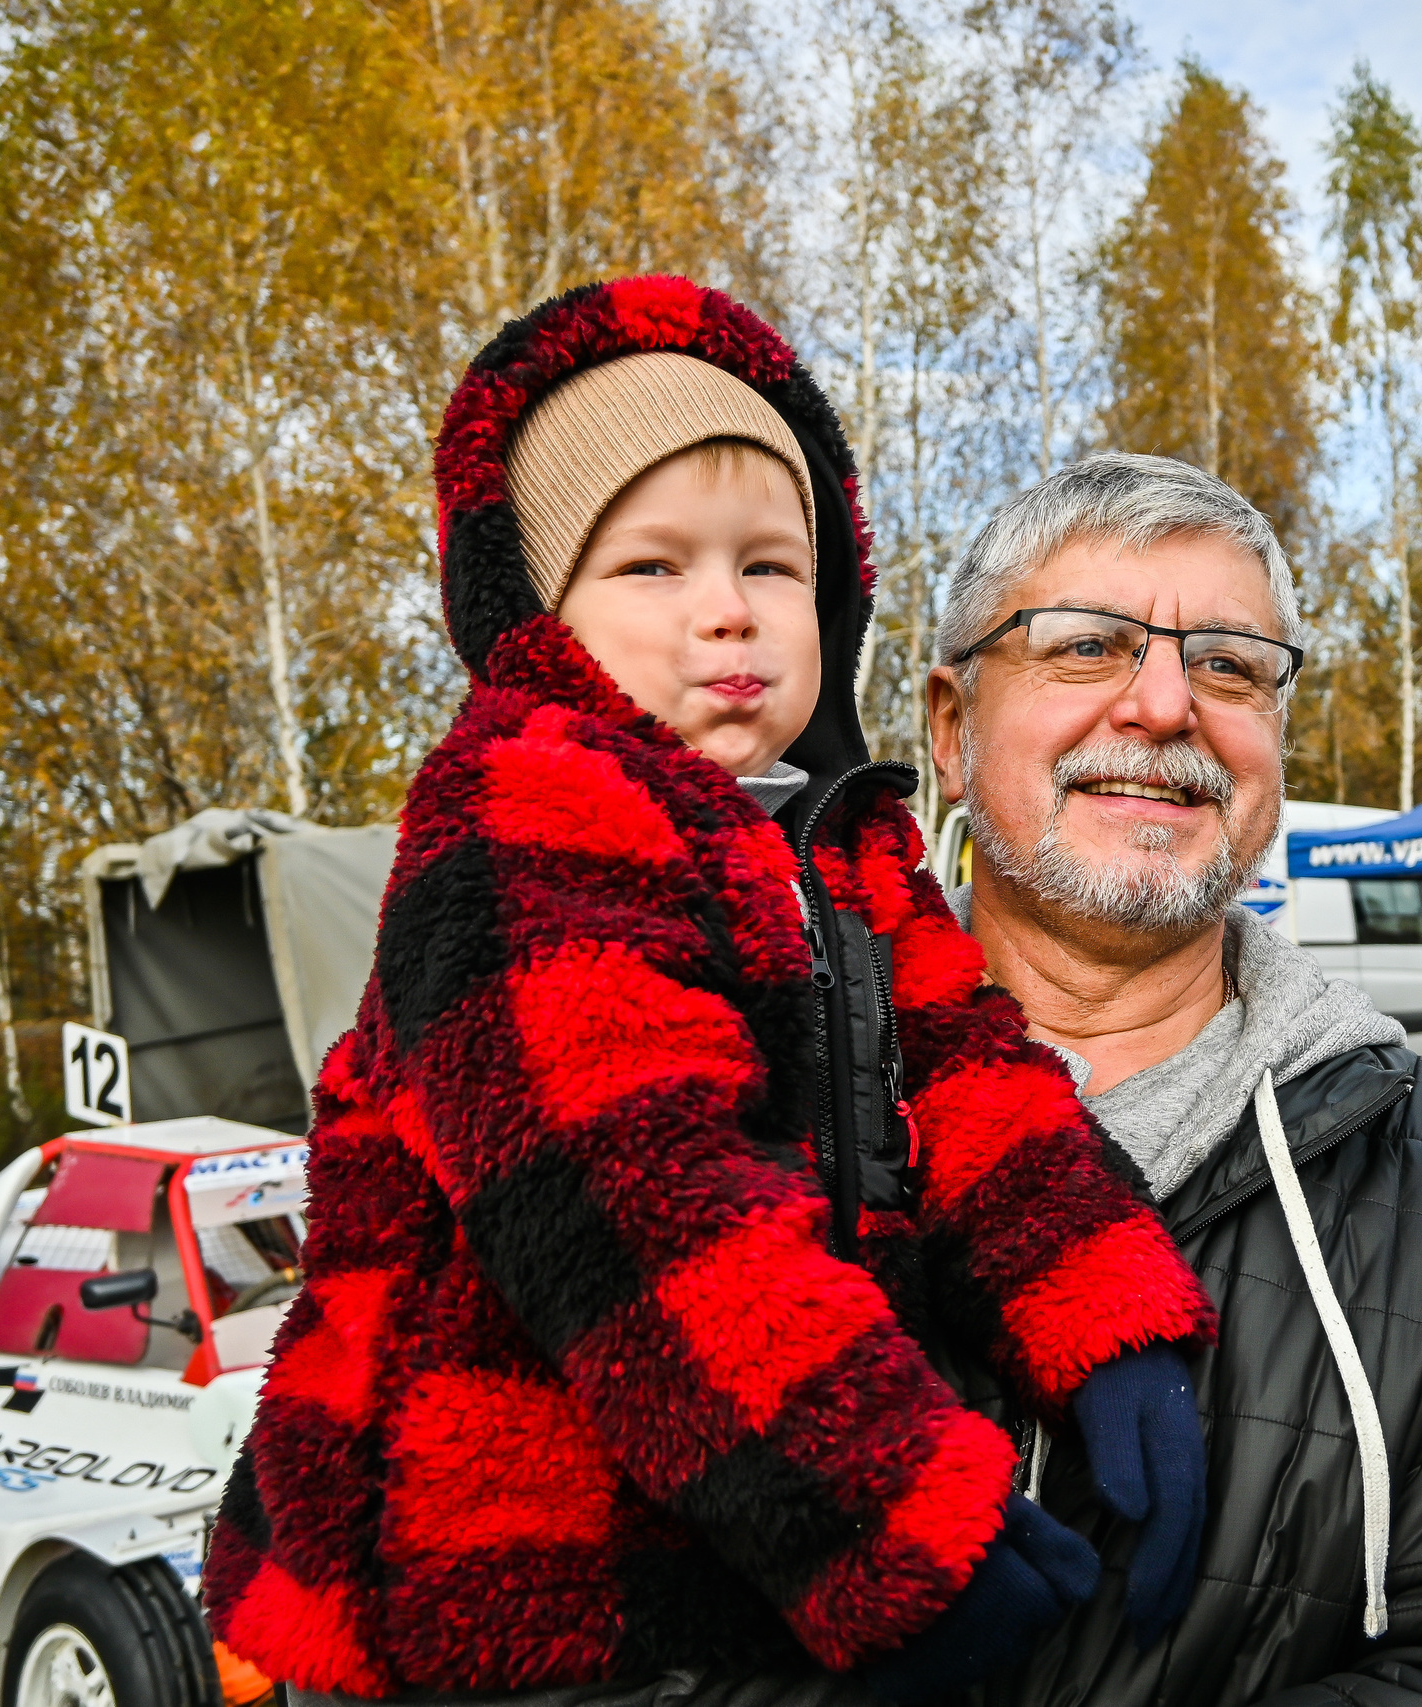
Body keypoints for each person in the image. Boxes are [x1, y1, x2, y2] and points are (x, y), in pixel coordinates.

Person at [202, 283, 1217, 1704]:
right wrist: (892, 1520)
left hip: (728, 1550)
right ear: (541, 617)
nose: (729, 611)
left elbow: (971, 1073)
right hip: (509, 1588)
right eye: (652, 568)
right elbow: (633, 1203)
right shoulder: (523, 814)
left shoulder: (842, 840)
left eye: (772, 564)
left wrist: (1111, 1320)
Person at [923, 452, 1422, 1705]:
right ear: (951, 728)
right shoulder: (728, 1124)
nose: (1164, 706)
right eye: (1088, 646)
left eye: (1228, 664)